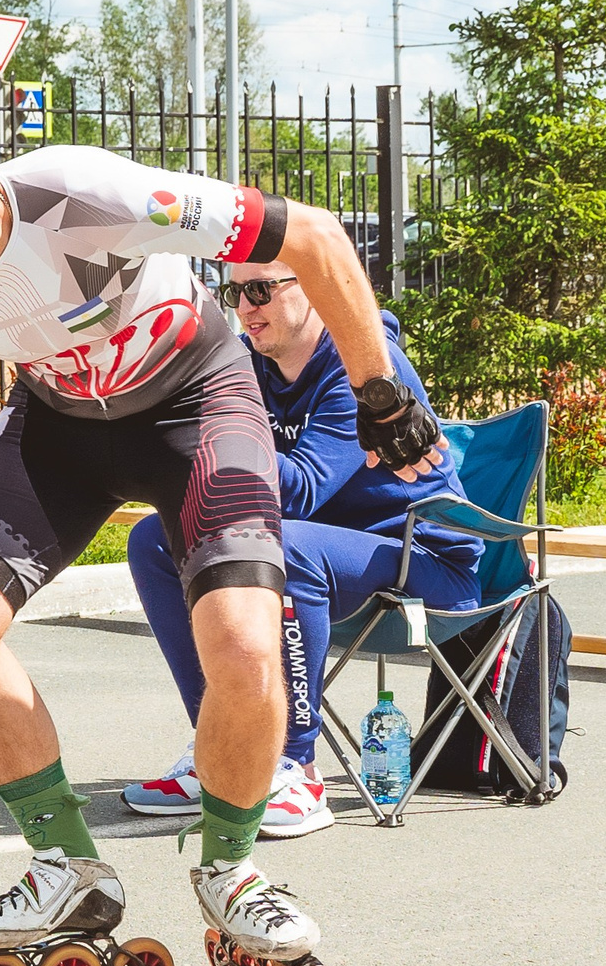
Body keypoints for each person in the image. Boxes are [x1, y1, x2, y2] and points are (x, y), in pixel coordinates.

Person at [0, 52, 446, 966]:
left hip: (192, 401)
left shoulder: (83, 196)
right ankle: (66, 865)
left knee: (248, 644)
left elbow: (316, 240)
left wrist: (379, 391)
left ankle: (231, 870)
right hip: (60, 423)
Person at [120, 260, 481, 834]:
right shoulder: (245, 364)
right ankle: (223, 748)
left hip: (423, 559)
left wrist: (185, 450)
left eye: (260, 289)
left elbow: (304, 487)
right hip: (326, 551)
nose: (244, 306)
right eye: (235, 290)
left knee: (285, 548)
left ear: (313, 289)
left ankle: (294, 764)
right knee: (154, 540)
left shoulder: (362, 368)